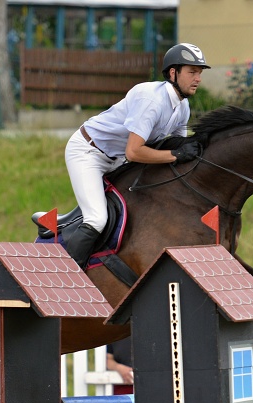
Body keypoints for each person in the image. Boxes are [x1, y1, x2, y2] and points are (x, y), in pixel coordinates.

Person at [63, 43, 210, 267]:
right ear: (173, 73)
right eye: (192, 72)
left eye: (199, 73)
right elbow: (134, 152)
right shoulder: (151, 100)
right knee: (97, 219)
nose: (197, 79)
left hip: (118, 159)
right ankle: (68, 274)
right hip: (88, 152)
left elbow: (177, 145)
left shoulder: (183, 107)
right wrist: (175, 155)